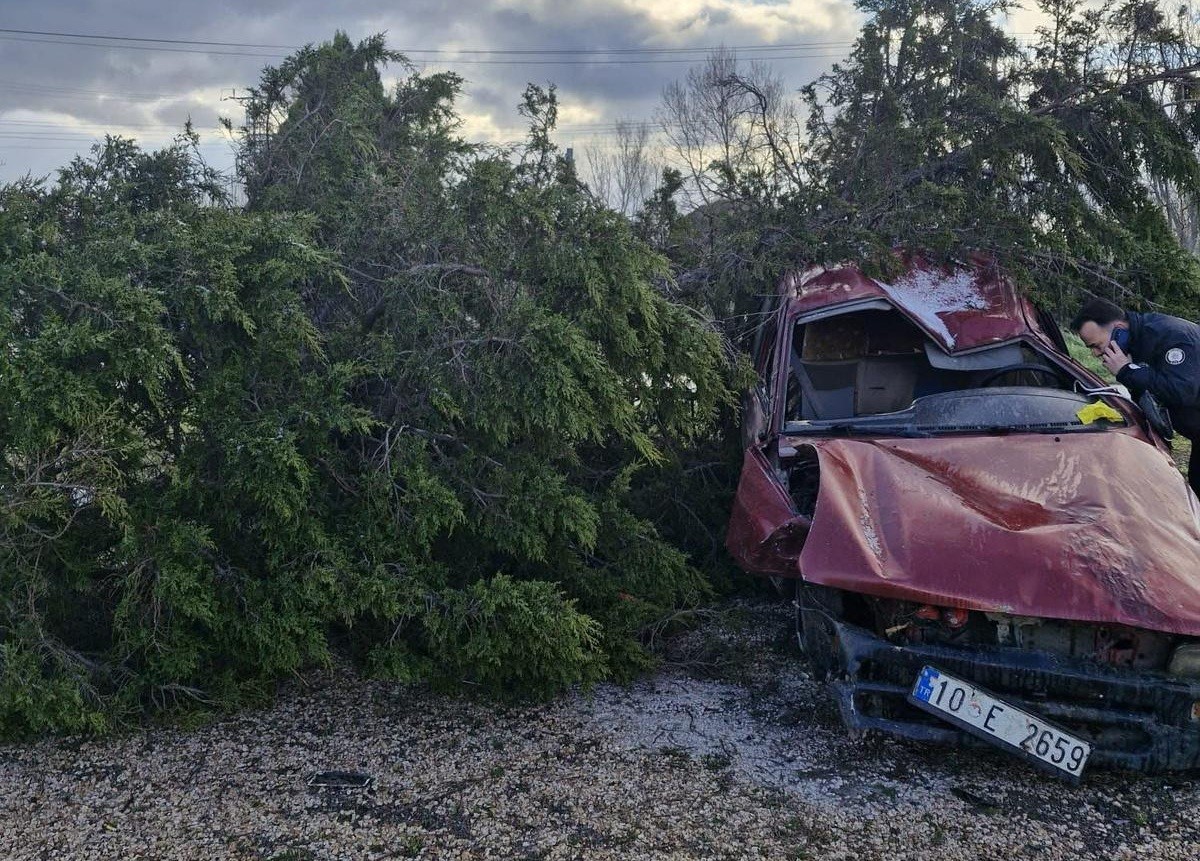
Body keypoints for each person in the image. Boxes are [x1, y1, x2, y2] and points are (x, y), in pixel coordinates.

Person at [1071, 297, 1200, 496]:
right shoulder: (1137, 342)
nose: (1097, 354)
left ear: (1119, 329)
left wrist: (1127, 371)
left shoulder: (1172, 336)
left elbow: (1181, 391)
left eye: (1097, 345)